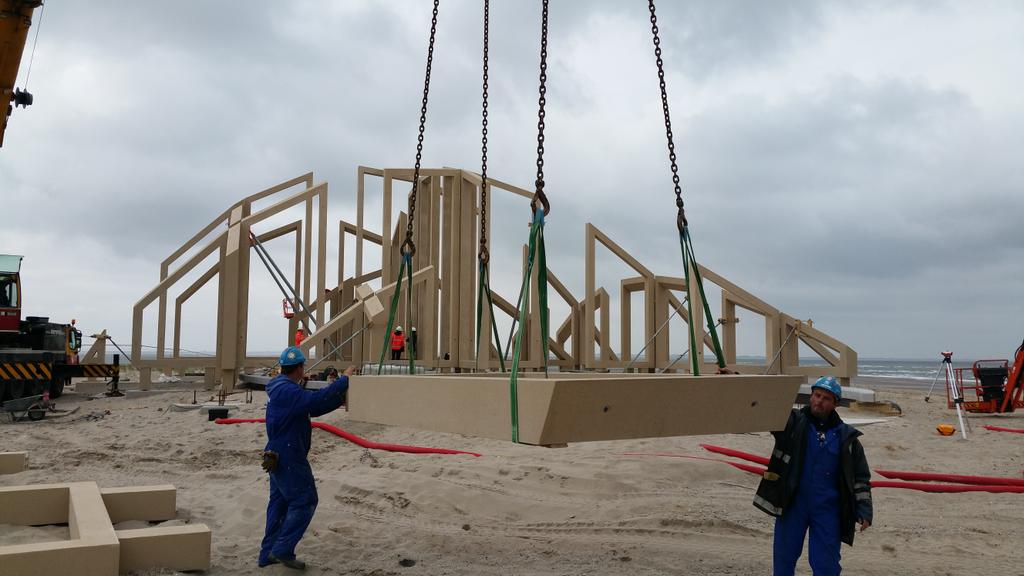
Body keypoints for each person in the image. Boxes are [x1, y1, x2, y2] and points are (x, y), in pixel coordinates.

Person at [753, 376, 873, 576]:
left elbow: (861, 478)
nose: (819, 401)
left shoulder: (847, 438)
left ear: (835, 403)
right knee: (783, 559)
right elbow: (766, 406)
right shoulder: (791, 423)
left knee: (826, 566)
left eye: (826, 398)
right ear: (811, 396)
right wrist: (736, 379)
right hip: (792, 504)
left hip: (828, 509)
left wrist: (864, 510)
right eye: (817, 395)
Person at [259, 346, 355, 570]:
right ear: (300, 368)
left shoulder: (281, 387)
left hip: (277, 452)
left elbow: (315, 406)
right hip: (288, 455)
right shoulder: (289, 392)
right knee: (305, 501)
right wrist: (344, 381)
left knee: (280, 504)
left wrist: (337, 397)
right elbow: (313, 401)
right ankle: (282, 550)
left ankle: (267, 555)